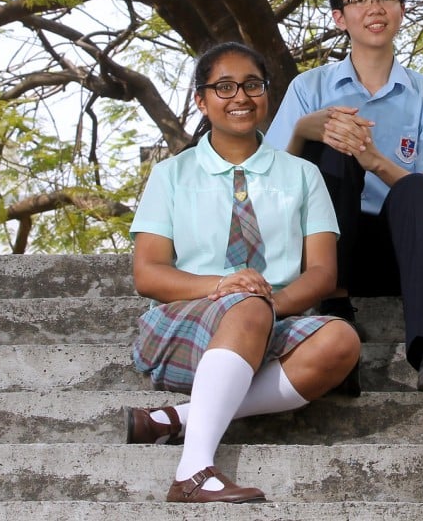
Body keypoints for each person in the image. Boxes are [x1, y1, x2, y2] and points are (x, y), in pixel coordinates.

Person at [124, 42, 360, 503]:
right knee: (246, 304)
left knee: (342, 341)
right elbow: (148, 274)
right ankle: (192, 471)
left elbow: (321, 275)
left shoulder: (301, 175)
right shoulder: (171, 174)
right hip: (187, 320)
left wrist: (267, 305)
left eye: (253, 85)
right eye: (224, 87)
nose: (241, 97)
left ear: (267, 94)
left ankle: (176, 418)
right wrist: (224, 288)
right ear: (201, 99)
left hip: (272, 317)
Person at [265, 0, 423, 394]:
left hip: (401, 255)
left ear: (401, 9)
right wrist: (304, 130)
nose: (374, 8)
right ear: (340, 17)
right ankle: (335, 313)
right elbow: (272, 184)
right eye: (360, 0)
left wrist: (375, 159)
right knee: (331, 144)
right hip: (322, 252)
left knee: (415, 188)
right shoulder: (309, 88)